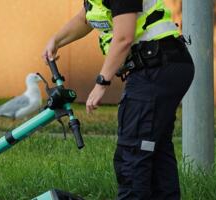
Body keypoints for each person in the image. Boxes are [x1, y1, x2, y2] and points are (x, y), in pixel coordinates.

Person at [43, 0, 195, 199]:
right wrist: (57, 40)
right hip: (160, 65)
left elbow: (124, 37)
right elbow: (87, 17)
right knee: (153, 149)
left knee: (132, 154)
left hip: (156, 67)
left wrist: (101, 83)